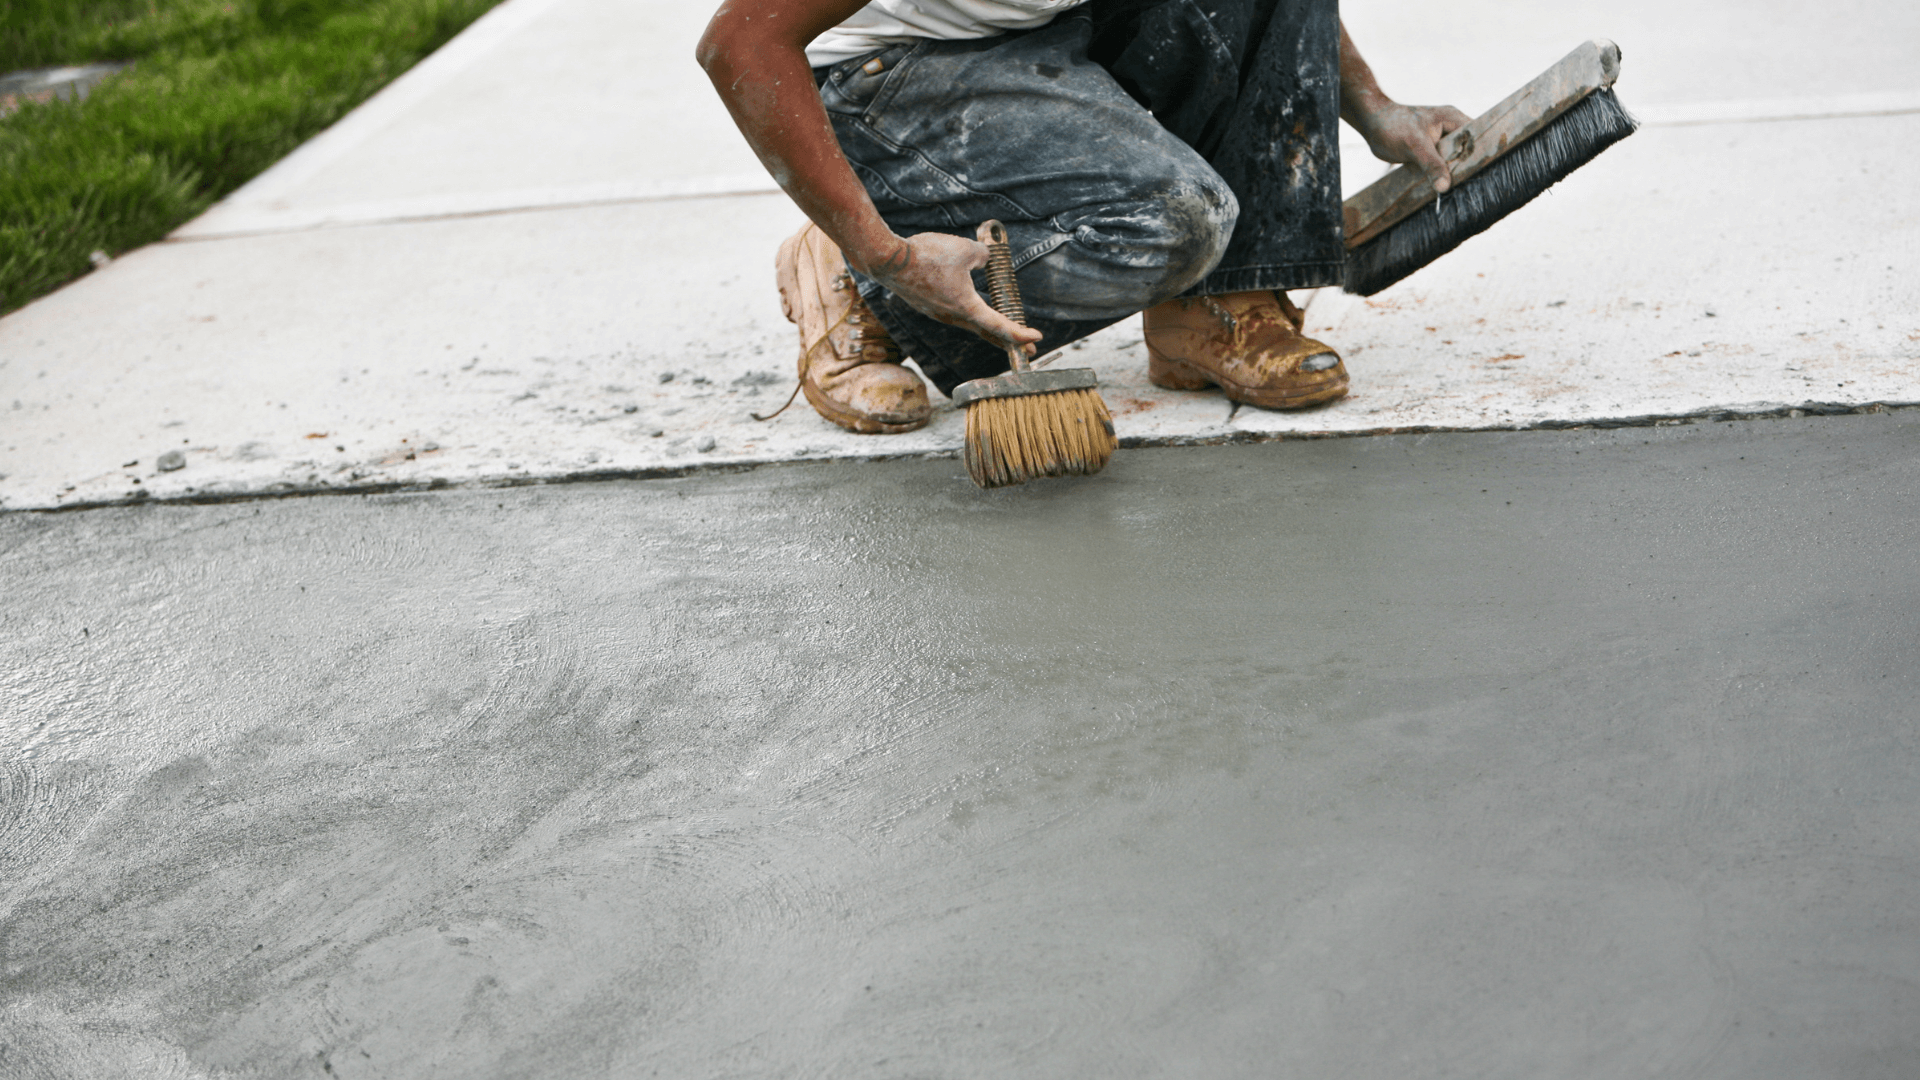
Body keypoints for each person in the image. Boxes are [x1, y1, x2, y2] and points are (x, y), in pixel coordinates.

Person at [697, 0, 1468, 434]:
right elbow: (741, 43)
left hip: (1039, 30)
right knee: (1169, 222)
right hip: (890, 75)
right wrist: (880, 253)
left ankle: (1217, 305)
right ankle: (854, 273)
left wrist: (1372, 107)